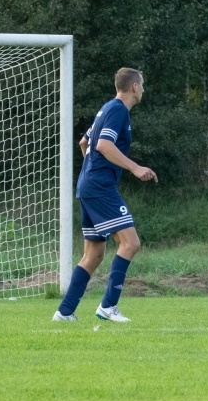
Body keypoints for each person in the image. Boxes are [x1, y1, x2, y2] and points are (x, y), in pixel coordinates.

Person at [53, 67, 157, 323]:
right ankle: (108, 306)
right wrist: (135, 167)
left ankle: (64, 312)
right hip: (99, 186)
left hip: (87, 184)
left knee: (94, 254)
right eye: (142, 84)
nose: (143, 89)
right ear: (134, 87)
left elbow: (84, 143)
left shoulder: (107, 109)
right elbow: (102, 144)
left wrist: (92, 168)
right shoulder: (118, 110)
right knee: (130, 243)